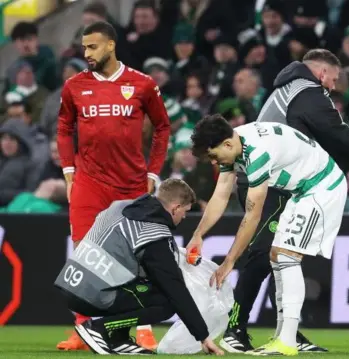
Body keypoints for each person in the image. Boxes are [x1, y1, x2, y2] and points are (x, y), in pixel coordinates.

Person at [207, 49, 349, 353]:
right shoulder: (308, 90)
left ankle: (286, 332)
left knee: (278, 255)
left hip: (267, 177)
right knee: (265, 254)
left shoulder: (286, 89)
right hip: (266, 179)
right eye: (333, 79)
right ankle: (237, 328)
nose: (333, 87)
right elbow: (332, 130)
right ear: (322, 73)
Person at [56, 21, 170, 351]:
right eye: (84, 47)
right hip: (89, 183)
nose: (86, 53)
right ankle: (82, 330)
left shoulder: (143, 84)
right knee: (83, 255)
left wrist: (152, 173)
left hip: (131, 184)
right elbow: (64, 128)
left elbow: (162, 128)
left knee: (139, 257)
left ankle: (143, 328)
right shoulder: (74, 86)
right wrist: (68, 172)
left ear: (110, 45)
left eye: (92, 47)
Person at [54, 179, 223, 355]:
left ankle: (119, 340)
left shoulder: (120, 206)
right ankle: (97, 328)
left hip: (70, 284)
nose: (185, 216)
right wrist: (203, 336)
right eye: (185, 211)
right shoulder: (152, 233)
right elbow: (175, 288)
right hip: (91, 294)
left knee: (140, 277)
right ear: (175, 208)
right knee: (165, 301)